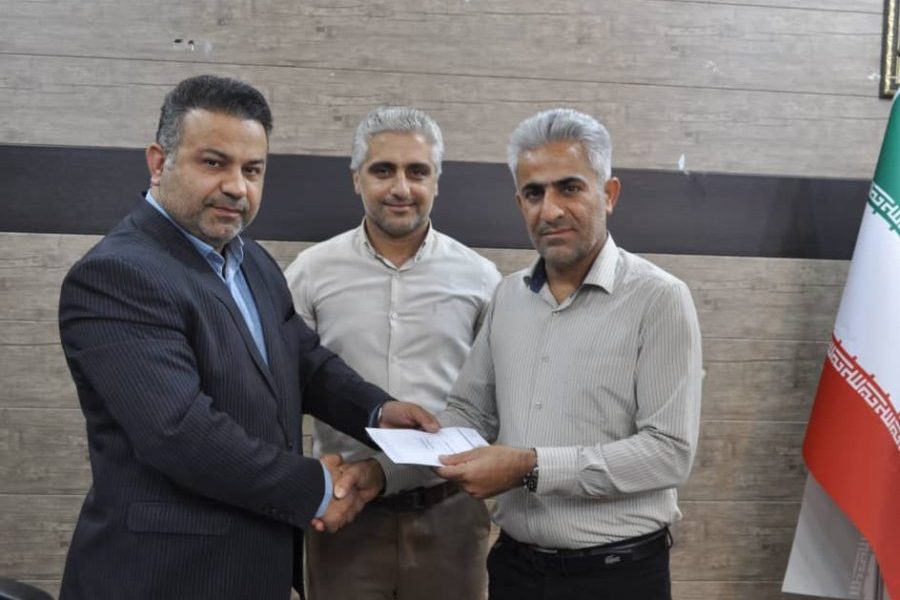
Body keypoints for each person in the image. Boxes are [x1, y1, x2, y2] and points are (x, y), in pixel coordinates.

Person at [56, 75, 436, 600]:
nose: (237, 186)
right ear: (159, 162)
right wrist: (316, 487)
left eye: (252, 169)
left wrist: (376, 411)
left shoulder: (251, 260)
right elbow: (178, 431)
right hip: (164, 577)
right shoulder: (117, 275)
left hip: (253, 565)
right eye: (214, 163)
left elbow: (302, 359)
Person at [431, 108, 703, 600]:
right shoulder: (508, 296)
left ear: (609, 194)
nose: (550, 210)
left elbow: (669, 453)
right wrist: (390, 464)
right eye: (534, 193)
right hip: (515, 569)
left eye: (570, 188)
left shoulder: (659, 299)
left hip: (617, 577)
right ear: (519, 203)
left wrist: (529, 466)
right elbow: (470, 412)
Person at [284, 106, 502, 599]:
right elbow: (287, 385)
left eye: (417, 172)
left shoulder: (481, 279)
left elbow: (492, 404)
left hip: (449, 515)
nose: (401, 188)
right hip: (345, 518)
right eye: (383, 170)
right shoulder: (310, 273)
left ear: (436, 181)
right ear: (356, 179)